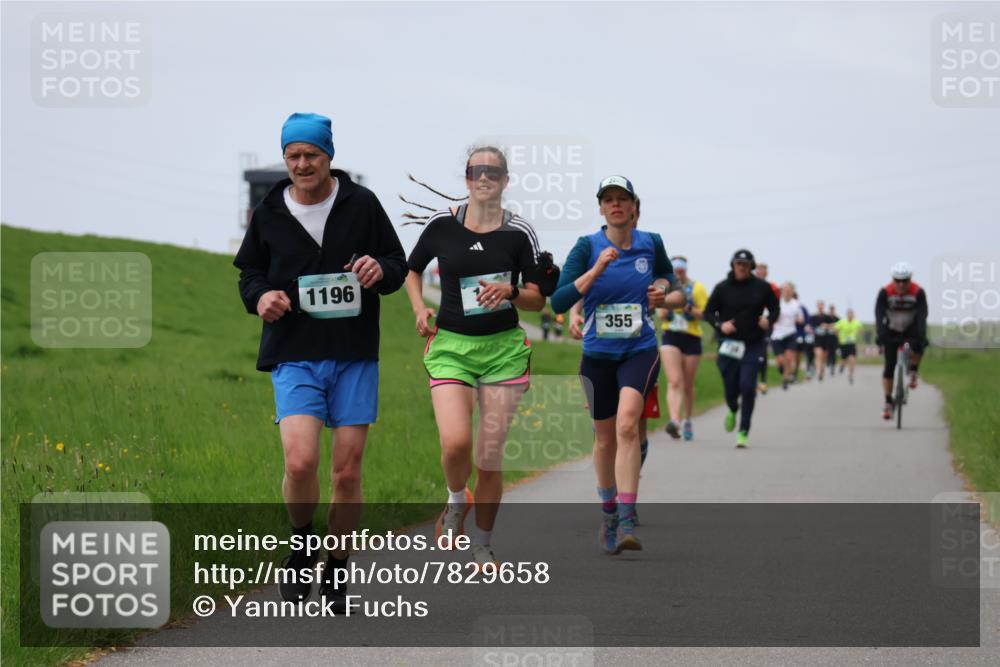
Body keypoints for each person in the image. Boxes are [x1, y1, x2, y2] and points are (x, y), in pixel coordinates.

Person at [234, 113, 407, 608]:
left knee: (346, 473)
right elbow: (249, 274)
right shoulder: (270, 212)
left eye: (312, 154)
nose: (302, 164)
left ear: (329, 156)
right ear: (284, 158)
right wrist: (261, 297)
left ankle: (336, 563)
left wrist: (379, 269)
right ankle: (302, 543)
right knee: (300, 460)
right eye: (293, 155)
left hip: (353, 352)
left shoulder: (362, 204)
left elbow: (396, 265)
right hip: (294, 352)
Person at [404, 146, 546, 569]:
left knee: (488, 455)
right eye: (476, 170)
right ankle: (455, 499)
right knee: (456, 444)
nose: (484, 177)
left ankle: (482, 544)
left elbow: (538, 299)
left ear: (505, 181)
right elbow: (412, 269)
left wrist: (511, 291)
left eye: (493, 172)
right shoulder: (442, 225)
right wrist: (419, 308)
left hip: (503, 352)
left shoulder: (520, 232)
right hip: (451, 348)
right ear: (467, 178)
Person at [551, 175, 679, 554]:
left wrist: (663, 291)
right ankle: (607, 511)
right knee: (605, 438)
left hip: (640, 350)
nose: (616, 205)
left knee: (627, 425)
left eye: (622, 198)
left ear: (634, 206)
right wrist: (595, 271)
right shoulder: (586, 246)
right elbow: (558, 300)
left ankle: (626, 519)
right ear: (601, 208)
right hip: (597, 356)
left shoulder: (651, 243)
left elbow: (671, 283)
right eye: (608, 199)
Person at [703, 250, 780, 448]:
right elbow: (708, 312)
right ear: (733, 265)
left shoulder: (762, 287)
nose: (742, 267)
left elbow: (775, 308)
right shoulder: (722, 287)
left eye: (746, 264)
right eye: (739, 264)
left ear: (751, 266)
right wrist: (721, 325)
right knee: (731, 386)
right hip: (729, 344)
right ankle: (732, 407)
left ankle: (743, 430)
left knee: (747, 386)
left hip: (753, 343)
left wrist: (768, 320)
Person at [657, 256, 708, 440]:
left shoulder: (697, 288)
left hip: (692, 337)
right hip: (671, 335)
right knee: (674, 381)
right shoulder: (664, 286)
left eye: (681, 270)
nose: (678, 274)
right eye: (675, 271)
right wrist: (666, 306)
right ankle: (674, 421)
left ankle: (687, 419)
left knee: (687, 385)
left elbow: (705, 314)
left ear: (685, 270)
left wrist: (688, 308)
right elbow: (660, 314)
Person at [875, 262, 928, 419]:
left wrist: (921, 335)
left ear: (910, 279)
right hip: (891, 330)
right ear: (893, 279)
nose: (901, 284)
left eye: (905, 280)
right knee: (889, 366)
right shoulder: (885, 292)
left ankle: (914, 369)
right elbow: (879, 314)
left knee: (918, 344)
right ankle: (888, 402)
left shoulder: (918, 292)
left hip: (910, 330)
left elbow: (922, 315)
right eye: (897, 280)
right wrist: (880, 334)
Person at [753, 263, 781, 394]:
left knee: (762, 352)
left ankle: (763, 380)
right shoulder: (749, 285)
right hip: (751, 322)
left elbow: (776, 307)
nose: (761, 272)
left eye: (763, 270)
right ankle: (752, 381)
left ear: (766, 272)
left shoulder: (772, 287)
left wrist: (770, 319)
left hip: (765, 323)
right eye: (759, 270)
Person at [769, 282, 803, 390]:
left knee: (788, 358)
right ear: (782, 291)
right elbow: (769, 315)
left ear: (792, 292)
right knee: (780, 360)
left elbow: (801, 317)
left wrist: (799, 319)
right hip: (777, 334)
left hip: (790, 333)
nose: (787, 292)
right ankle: (782, 368)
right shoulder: (776, 302)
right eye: (784, 290)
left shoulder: (796, 304)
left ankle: (785, 380)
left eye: (789, 290)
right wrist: (774, 318)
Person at [810, 300, 838, 382]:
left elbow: (834, 325)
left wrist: (826, 326)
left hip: (826, 339)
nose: (820, 307)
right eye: (819, 305)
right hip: (817, 339)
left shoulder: (827, 317)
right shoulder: (813, 317)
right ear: (817, 306)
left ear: (823, 306)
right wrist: (812, 329)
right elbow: (810, 326)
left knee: (824, 357)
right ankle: (818, 372)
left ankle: (822, 369)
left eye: (822, 305)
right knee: (818, 355)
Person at [835, 307, 863, 385]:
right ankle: (842, 365)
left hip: (851, 343)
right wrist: (838, 337)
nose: (850, 315)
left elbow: (861, 329)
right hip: (843, 343)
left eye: (852, 314)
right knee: (844, 359)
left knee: (852, 359)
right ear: (847, 314)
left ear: (853, 315)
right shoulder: (842, 322)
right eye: (849, 314)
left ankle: (851, 375)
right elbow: (835, 329)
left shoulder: (856, 322)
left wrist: (857, 333)